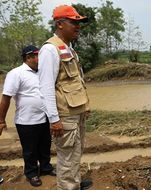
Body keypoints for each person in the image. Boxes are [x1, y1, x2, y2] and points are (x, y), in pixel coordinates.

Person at [38, 5, 92, 190]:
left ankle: (74, 184)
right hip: (65, 116)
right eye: (74, 22)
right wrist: (54, 119)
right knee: (67, 157)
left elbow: (76, 82)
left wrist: (85, 106)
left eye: (79, 23)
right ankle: (68, 187)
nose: (78, 26)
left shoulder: (68, 49)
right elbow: (45, 88)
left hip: (76, 112)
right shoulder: (50, 50)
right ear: (60, 24)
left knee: (75, 153)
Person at [0, 45, 56, 187]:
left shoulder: (42, 72)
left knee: (45, 146)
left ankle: (45, 168)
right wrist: (1, 120)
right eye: (37, 56)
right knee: (30, 150)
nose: (40, 58)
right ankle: (31, 174)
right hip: (26, 121)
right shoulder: (16, 73)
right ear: (28, 57)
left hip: (44, 118)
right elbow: (6, 97)